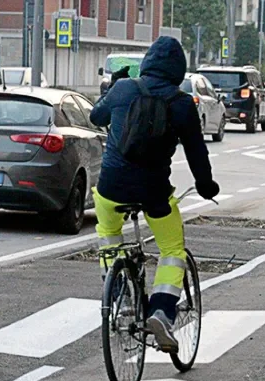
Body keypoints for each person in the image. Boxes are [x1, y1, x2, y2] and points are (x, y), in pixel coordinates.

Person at [89, 36, 219, 353]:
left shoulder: (124, 89)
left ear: (147, 63)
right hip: (153, 191)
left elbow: (96, 117)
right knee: (172, 248)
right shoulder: (182, 104)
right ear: (178, 70)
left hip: (111, 187)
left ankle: (121, 298)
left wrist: (112, 88)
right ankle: (161, 311)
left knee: (108, 232)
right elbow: (196, 153)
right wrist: (206, 185)